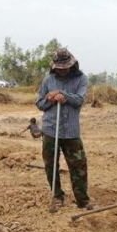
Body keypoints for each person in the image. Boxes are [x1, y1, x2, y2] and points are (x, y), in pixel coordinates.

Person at [35, 48, 92, 212]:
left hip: (71, 132)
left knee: (79, 165)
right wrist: (51, 100)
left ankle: (82, 200)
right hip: (51, 129)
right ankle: (57, 196)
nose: (63, 70)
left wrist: (62, 93)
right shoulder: (48, 80)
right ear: (54, 67)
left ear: (72, 64)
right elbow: (39, 104)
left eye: (65, 67)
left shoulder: (81, 79)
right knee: (51, 165)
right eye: (59, 68)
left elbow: (79, 100)